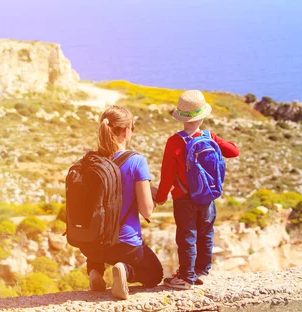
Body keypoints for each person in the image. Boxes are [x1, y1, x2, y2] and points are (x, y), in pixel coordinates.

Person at [153, 90, 239, 289]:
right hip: (207, 197)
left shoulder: (174, 142)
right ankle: (202, 272)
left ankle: (186, 277)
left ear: (181, 116)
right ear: (202, 115)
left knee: (187, 237)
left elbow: (167, 176)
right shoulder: (210, 137)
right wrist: (219, 141)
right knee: (206, 234)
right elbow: (234, 151)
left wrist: (160, 197)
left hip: (184, 198)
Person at [80, 105, 163, 300]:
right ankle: (125, 271)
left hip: (91, 244)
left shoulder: (90, 160)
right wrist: (154, 197)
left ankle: (95, 271)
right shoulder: (136, 161)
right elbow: (147, 210)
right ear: (127, 131)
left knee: (99, 252)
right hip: (124, 246)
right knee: (155, 274)